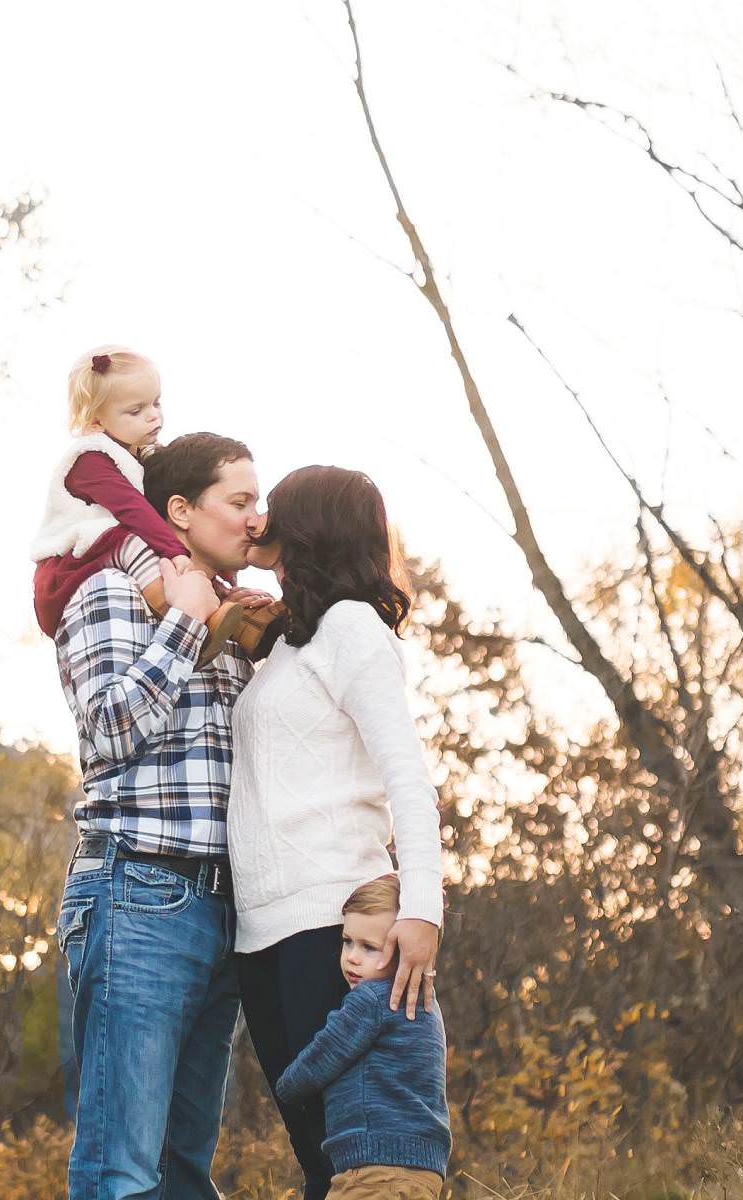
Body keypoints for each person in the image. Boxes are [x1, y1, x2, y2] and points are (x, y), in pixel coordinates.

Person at [52, 432, 261, 1199]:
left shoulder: (242, 622)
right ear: (180, 509)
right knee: (123, 1171)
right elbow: (106, 733)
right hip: (137, 892)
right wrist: (180, 618)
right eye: (239, 502)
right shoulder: (105, 593)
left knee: (182, 1174)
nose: (255, 519)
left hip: (224, 910)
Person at [229, 464, 445, 1200]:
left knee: (354, 1166)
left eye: (273, 508)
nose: (259, 521)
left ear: (310, 525)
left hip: (331, 920)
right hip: (261, 931)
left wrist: (421, 912)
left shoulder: (355, 629)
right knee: (320, 1163)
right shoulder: (290, 640)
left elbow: (408, 778)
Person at [30, 346, 258, 660]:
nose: (153, 415)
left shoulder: (137, 453)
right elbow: (133, 510)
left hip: (104, 547)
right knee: (133, 542)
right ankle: (174, 610)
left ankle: (235, 614)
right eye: (135, 411)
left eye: (156, 402)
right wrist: (176, 552)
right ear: (97, 422)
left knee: (153, 549)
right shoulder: (91, 459)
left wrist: (223, 578)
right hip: (69, 561)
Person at [276, 875, 450, 1199]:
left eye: (370, 947)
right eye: (347, 941)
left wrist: (286, 1086)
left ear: (405, 952)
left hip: (373, 1170)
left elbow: (320, 1058)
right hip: (423, 1169)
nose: (352, 957)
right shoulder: (428, 1004)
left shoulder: (370, 1001)